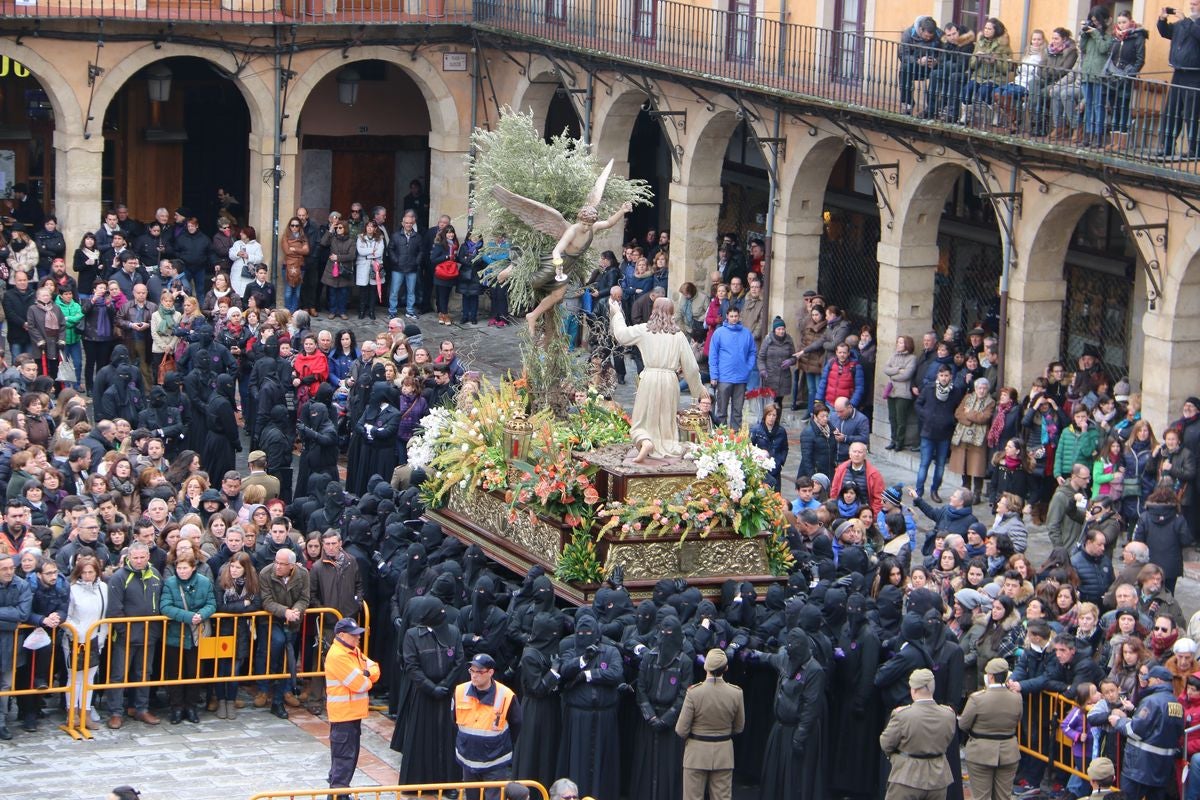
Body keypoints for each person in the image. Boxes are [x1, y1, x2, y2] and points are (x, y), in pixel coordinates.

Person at [607, 289, 706, 462]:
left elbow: (621, 335)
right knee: (666, 419)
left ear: (653, 311)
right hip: (670, 380)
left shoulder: (645, 330)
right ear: (672, 313)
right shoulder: (679, 335)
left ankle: (645, 440)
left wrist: (617, 314)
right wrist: (699, 391)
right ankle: (665, 444)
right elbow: (691, 367)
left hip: (650, 378)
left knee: (642, 418)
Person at [675, 647, 745, 800]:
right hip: (723, 753)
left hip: (696, 753)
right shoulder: (736, 693)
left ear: (705, 666)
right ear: (726, 668)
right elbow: (739, 727)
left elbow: (681, 729)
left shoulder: (694, 692)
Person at [879, 668, 959, 800]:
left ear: (913, 689)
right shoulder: (948, 714)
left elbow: (886, 743)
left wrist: (896, 758)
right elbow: (947, 739)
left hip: (906, 776)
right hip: (938, 777)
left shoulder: (903, 715)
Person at [1110, 664, 1186, 800]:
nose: (1146, 682)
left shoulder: (1151, 701)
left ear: (1159, 680)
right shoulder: (1178, 705)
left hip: (1139, 767)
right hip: (1162, 768)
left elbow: (1135, 730)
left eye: (1149, 680)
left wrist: (1119, 722)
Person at [453, 653, 522, 800]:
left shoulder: (506, 695)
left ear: (490, 672)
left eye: (479, 671)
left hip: (495, 762)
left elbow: (517, 724)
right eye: (472, 670)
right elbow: (453, 719)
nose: (474, 675)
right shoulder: (459, 691)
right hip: (468, 760)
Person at [325, 616, 380, 794]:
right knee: (343, 760)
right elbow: (361, 684)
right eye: (354, 635)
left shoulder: (352, 651)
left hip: (352, 714)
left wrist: (364, 673)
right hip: (343, 716)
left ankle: (340, 793)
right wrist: (366, 675)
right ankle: (338, 794)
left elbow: (375, 668)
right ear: (342, 635)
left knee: (348, 759)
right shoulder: (338, 655)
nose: (358, 638)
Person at [958, 658, 1023, 800]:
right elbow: (1018, 719)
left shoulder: (977, 698)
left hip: (981, 751)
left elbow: (963, 724)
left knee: (981, 796)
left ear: (990, 676)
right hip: (1008, 751)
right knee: (1003, 796)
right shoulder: (1016, 698)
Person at [1156, 0, 1200, 159]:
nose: (1191, 6)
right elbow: (1166, 32)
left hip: (1194, 75)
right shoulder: (1184, 24)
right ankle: (1167, 146)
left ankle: (1195, 150)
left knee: (1191, 113)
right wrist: (1162, 20)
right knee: (1172, 111)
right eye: (1192, 3)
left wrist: (1186, 21)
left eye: (1195, 3)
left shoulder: (1189, 23)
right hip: (1178, 73)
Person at [707, 306, 756, 430]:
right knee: (721, 411)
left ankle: (735, 438)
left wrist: (748, 368)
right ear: (727, 317)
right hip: (724, 377)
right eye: (731, 316)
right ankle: (721, 438)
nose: (734, 319)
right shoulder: (719, 333)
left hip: (741, 378)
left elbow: (752, 352)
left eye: (736, 316)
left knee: (737, 411)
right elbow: (713, 355)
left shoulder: (746, 333)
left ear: (739, 317)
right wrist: (714, 375)